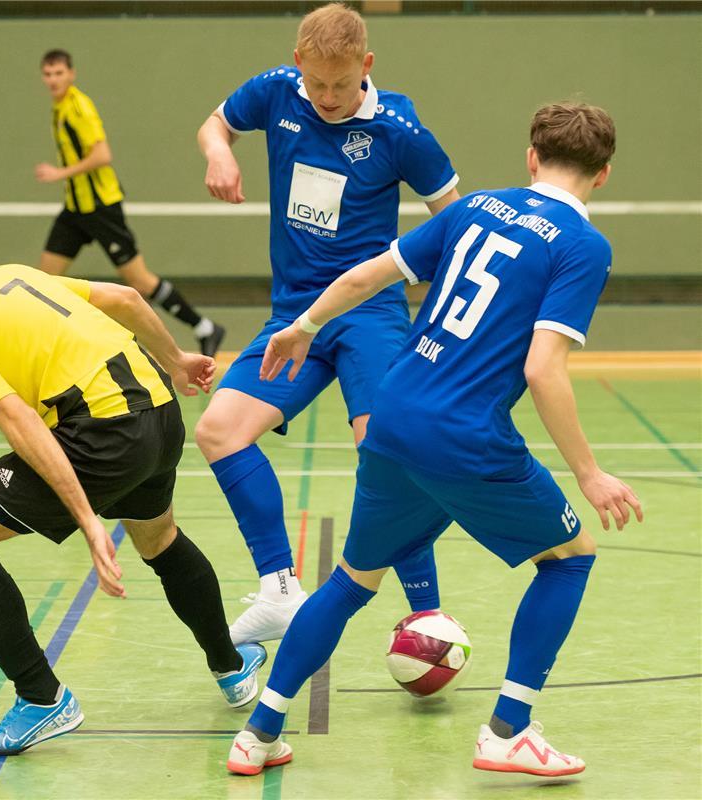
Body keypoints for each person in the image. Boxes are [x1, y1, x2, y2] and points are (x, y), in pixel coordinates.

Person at [226, 102, 643, 777]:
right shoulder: (582, 246)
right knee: (569, 559)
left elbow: (365, 275)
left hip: (393, 414)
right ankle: (507, 732)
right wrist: (589, 474)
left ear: (531, 158)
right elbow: (542, 369)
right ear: (603, 174)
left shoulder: (475, 206)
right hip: (464, 434)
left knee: (351, 581)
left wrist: (303, 326)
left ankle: (258, 734)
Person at [0, 245, 266, 757]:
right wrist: (177, 360)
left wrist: (88, 520)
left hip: (103, 432)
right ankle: (231, 668)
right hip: (158, 405)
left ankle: (42, 699)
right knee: (159, 539)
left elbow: (17, 418)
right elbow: (125, 297)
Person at [195, 3, 459, 645]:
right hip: (295, 318)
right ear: (298, 65)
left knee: (385, 448)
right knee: (219, 430)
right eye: (317, 83)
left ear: (366, 65)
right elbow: (215, 123)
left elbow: (455, 221)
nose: (329, 97)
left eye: (342, 83)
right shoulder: (276, 92)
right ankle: (279, 590)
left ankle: (426, 612)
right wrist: (219, 152)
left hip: (368, 313)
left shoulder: (400, 129)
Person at [35, 49, 225, 357]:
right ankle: (51, 349)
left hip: (101, 208)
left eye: (59, 73)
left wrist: (59, 173)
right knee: (44, 281)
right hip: (76, 208)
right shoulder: (59, 107)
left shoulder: (79, 108)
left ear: (71, 74)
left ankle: (205, 327)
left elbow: (102, 155)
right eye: (48, 74)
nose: (53, 79)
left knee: (140, 281)